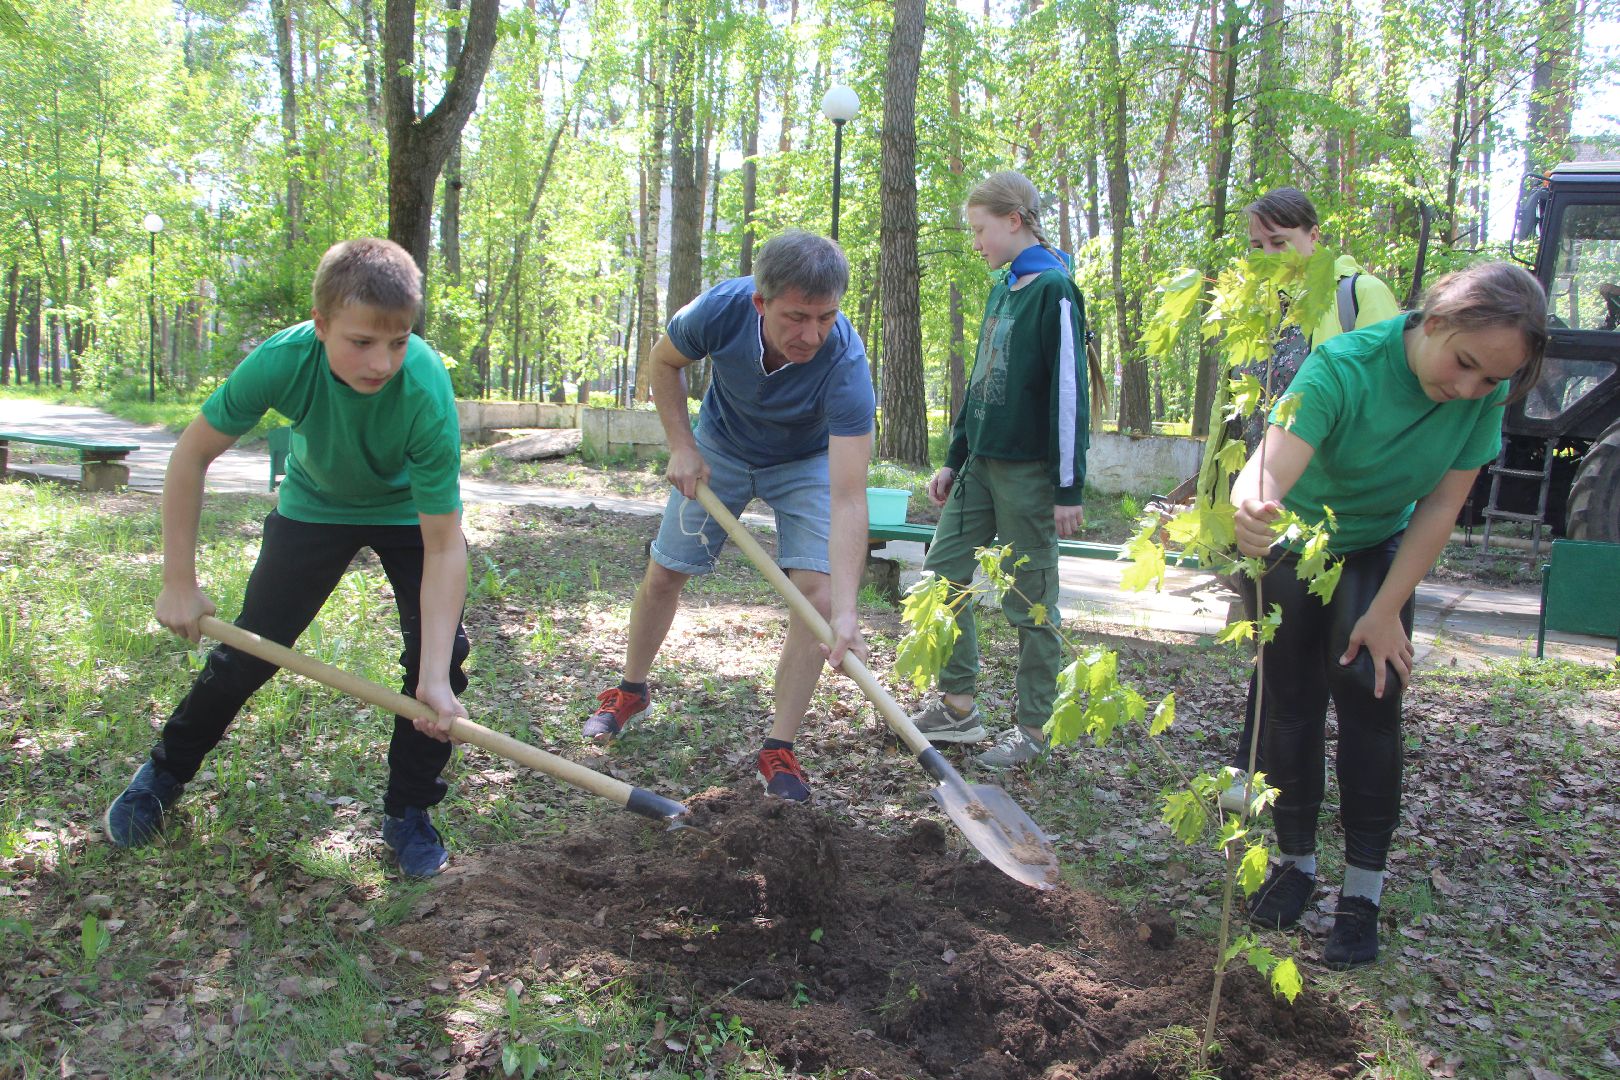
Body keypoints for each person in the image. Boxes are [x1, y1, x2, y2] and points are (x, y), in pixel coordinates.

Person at [104, 238, 470, 879]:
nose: (382, 362)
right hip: (314, 508)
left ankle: (408, 811)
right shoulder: (282, 360)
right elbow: (189, 456)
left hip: (407, 515)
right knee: (248, 652)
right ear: (321, 326)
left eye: (398, 341)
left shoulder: (425, 389)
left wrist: (433, 675)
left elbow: (443, 543)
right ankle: (163, 774)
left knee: (439, 662)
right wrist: (178, 582)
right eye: (361, 342)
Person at [1233, 262, 1546, 968]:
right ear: (1435, 321)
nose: (1468, 390)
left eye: (1490, 381)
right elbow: (1269, 464)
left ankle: (1362, 894)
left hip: (1379, 543)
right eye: (1464, 364)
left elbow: (1440, 506)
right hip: (1295, 541)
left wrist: (1386, 609)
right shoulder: (1343, 367)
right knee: (1290, 703)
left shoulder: (1482, 394)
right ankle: (1296, 866)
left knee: (1373, 693)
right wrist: (1252, 505)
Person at [580, 230, 873, 802]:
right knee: (665, 572)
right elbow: (663, 364)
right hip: (720, 445)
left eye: (826, 316)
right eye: (796, 317)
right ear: (760, 304)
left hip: (805, 460)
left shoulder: (846, 362)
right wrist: (681, 444)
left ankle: (778, 748)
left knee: (816, 597)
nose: (811, 334)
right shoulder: (719, 309)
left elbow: (848, 496)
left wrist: (847, 611)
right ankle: (630, 691)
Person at [1206, 188, 1401, 810]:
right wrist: (1212, 498)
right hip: (1264, 500)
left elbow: (1386, 397)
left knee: (1333, 657)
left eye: (1280, 243)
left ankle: (1326, 790)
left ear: (1315, 236)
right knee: (1273, 645)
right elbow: (1235, 418)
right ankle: (1256, 770)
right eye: (1255, 246)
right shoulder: (1251, 308)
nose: (1267, 257)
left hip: (1338, 508)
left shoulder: (1359, 295)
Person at [907, 170, 1096, 770]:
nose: (976, 241)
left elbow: (1070, 393)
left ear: (1014, 221)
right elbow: (981, 381)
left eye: (980, 229)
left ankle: (1035, 729)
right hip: (980, 467)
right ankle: (959, 707)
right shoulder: (1004, 287)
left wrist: (1067, 486)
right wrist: (954, 457)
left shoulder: (1055, 290)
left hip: (1030, 474)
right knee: (942, 576)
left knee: (1030, 600)